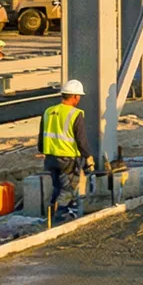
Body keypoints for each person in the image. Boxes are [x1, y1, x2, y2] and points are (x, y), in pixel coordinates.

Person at [37, 79, 90, 219]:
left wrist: (43, 150)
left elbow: (41, 135)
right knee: (68, 190)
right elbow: (81, 139)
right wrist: (87, 156)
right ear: (75, 96)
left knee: (57, 188)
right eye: (79, 97)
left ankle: (50, 215)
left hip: (51, 159)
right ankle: (58, 217)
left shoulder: (48, 111)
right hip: (68, 159)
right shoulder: (75, 113)